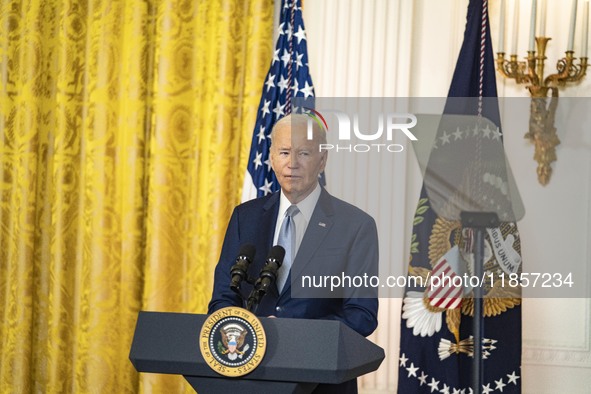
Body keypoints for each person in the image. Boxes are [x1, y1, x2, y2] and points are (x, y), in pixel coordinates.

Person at [208, 114, 379, 393]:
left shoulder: (356, 225)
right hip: (250, 378)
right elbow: (223, 297)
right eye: (285, 152)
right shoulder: (245, 218)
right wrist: (241, 336)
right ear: (272, 158)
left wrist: (290, 331)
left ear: (322, 160)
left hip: (321, 383)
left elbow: (362, 315)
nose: (292, 163)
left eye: (304, 153)